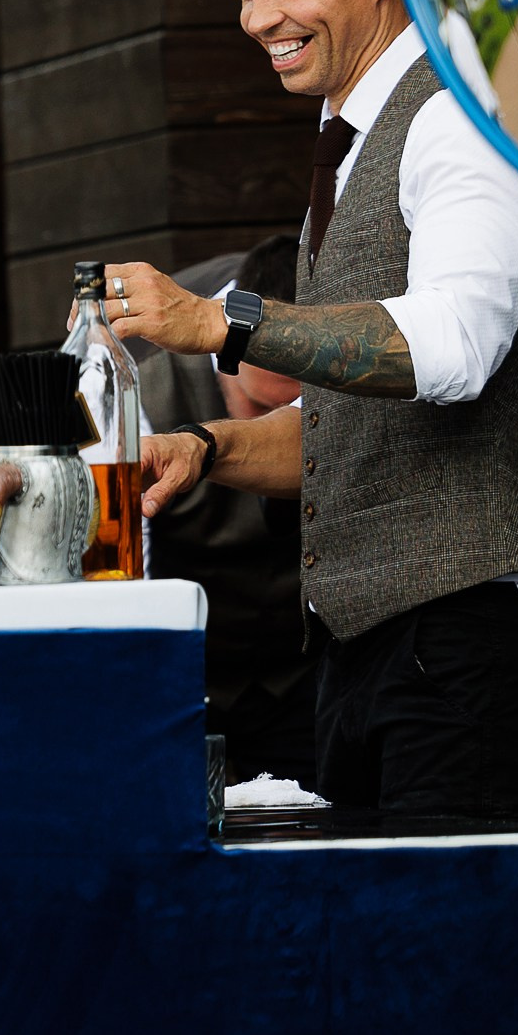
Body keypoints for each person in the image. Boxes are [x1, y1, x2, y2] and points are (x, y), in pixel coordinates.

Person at [101, 0, 518, 819]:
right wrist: (204, 452)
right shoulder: (350, 138)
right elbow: (354, 431)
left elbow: (448, 349)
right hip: (367, 656)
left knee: (439, 967)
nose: (257, 20)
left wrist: (217, 323)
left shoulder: (461, 117)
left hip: (466, 646)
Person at [134, 236, 312, 785]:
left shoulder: (354, 334)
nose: (277, 430)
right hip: (176, 676)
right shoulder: (134, 367)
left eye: (299, 411)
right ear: (221, 355)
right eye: (260, 406)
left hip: (304, 676)